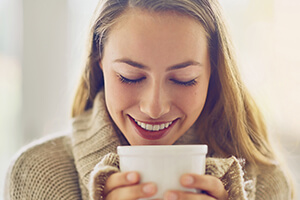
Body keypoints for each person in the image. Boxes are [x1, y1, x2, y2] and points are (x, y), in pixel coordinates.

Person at [5, 0, 294, 199]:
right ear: (99, 63)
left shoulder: (267, 183)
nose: (154, 108)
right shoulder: (36, 175)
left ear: (214, 74)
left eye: (184, 80)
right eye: (130, 77)